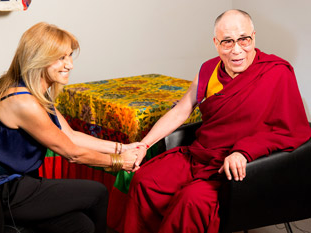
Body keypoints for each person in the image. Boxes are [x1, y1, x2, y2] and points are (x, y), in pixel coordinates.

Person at [122, 9, 311, 233]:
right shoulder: (209, 69)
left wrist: (244, 152)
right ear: (216, 43)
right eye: (227, 42)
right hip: (201, 155)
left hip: (240, 166)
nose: (237, 50)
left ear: (253, 37)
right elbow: (181, 111)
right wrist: (144, 144)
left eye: (244, 40)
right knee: (144, 180)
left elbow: (292, 130)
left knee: (191, 200)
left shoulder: (276, 72)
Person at [0, 22, 144, 233]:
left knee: (81, 226)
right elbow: (72, 153)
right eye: (61, 58)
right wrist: (119, 162)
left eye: (69, 56)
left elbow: (70, 136)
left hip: (16, 182)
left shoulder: (32, 90)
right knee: (98, 192)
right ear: (38, 59)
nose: (70, 65)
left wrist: (123, 147)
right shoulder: (22, 102)